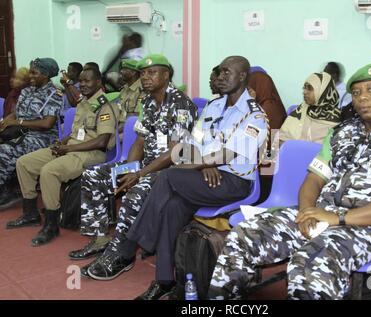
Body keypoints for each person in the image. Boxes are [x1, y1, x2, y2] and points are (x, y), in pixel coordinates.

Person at [208, 62, 371, 300]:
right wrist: (306, 211)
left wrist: (338, 218)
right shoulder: (341, 132)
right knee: (244, 235)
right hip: (319, 215)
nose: (363, 98)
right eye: (356, 92)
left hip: (366, 227)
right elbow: (314, 178)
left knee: (310, 264)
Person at [90, 56, 268, 301]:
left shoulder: (255, 115)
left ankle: (134, 242)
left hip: (234, 183)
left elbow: (230, 154)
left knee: (170, 175)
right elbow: (192, 143)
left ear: (242, 76)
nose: (221, 77)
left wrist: (200, 163)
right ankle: (165, 281)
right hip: (204, 176)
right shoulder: (214, 107)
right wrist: (201, 165)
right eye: (221, 72)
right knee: (173, 206)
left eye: (228, 73)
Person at [71, 55, 197, 273]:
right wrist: (128, 170)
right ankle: (100, 239)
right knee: (94, 176)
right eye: (143, 73)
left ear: (166, 75)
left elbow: (176, 153)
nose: (145, 77)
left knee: (136, 192)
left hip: (169, 171)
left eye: (152, 72)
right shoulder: (148, 101)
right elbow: (140, 140)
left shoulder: (181, 104)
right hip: (145, 166)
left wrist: (138, 175)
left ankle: (120, 255)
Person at [6, 68, 119, 247]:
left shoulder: (106, 105)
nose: (82, 84)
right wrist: (61, 143)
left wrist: (69, 148)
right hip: (71, 147)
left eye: (87, 81)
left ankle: (51, 225)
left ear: (98, 83)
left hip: (91, 154)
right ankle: (30, 214)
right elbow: (76, 132)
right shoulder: (83, 102)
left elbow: (102, 141)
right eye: (80, 81)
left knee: (49, 171)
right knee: (24, 162)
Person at [0, 58, 63, 208]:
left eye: (35, 73)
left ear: (46, 75)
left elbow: (47, 124)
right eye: (30, 72)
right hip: (20, 132)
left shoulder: (53, 94)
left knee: (5, 150)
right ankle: (9, 186)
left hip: (43, 137)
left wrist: (18, 123)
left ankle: (4, 191)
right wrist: (4, 124)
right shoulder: (27, 91)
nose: (31, 76)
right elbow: (16, 113)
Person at [278, 72, 341, 144]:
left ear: (323, 91)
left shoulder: (337, 120)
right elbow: (280, 138)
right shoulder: (300, 110)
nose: (304, 92)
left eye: (310, 88)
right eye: (304, 88)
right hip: (292, 153)